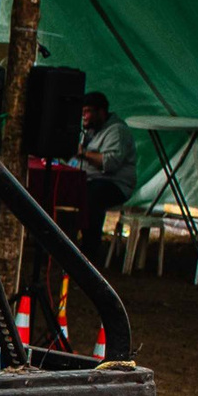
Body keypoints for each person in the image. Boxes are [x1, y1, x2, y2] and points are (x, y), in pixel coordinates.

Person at [73, 91, 136, 270]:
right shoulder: (87, 130)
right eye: (82, 112)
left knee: (93, 197)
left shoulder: (117, 131)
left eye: (88, 112)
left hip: (115, 183)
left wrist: (83, 154)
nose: (84, 116)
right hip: (89, 179)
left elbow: (110, 163)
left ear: (101, 112)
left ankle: (90, 252)